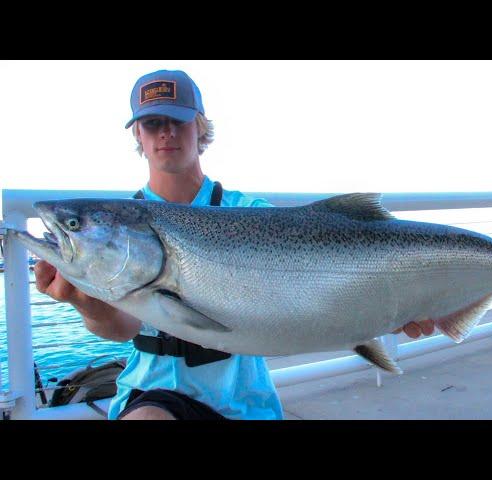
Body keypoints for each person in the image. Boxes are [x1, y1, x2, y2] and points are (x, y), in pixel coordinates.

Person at [34, 69, 435, 420]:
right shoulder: (120, 229)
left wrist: (393, 305)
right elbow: (123, 327)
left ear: (201, 127)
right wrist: (83, 299)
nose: (167, 133)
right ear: (138, 133)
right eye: (153, 123)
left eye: (178, 120)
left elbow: (316, 281)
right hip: (153, 395)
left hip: (246, 401)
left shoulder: (248, 212)